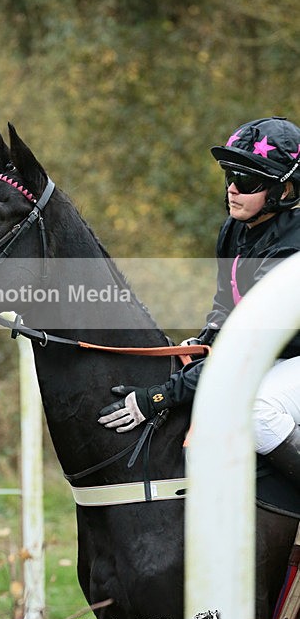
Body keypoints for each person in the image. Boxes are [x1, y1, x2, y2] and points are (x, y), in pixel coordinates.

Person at [98, 116, 300, 487]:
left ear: (284, 191)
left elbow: (244, 353)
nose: (233, 190)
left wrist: (157, 398)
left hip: (289, 357)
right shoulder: (234, 229)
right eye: (229, 176)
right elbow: (226, 305)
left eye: (247, 181)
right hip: (270, 352)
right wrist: (204, 339)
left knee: (257, 410)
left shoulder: (291, 250)